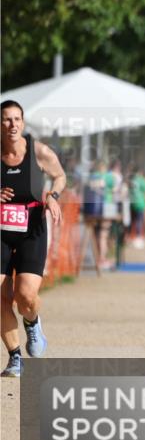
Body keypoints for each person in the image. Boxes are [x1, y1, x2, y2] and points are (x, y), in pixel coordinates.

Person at [1, 100, 66, 377]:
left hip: (32, 230)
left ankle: (32, 320)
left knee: (25, 295)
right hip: (1, 231)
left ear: (23, 123)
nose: (12, 125)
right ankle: (15, 357)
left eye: (17, 119)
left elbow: (60, 176)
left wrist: (53, 196)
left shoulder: (38, 151)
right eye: (6, 120)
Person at [129, 168, 145, 249]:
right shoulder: (143, 181)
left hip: (132, 202)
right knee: (139, 220)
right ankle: (138, 237)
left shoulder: (133, 180)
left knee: (133, 221)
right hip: (140, 203)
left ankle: (130, 237)